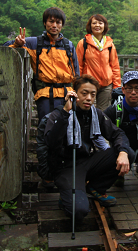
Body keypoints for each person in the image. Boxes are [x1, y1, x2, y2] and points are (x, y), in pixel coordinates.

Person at [39, 75, 133, 220]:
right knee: (79, 211)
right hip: (66, 167)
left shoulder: (95, 114)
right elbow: (51, 143)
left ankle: (96, 187)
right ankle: (67, 195)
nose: (89, 98)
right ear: (75, 93)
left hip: (86, 161)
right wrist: (65, 113)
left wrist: (123, 152)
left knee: (128, 153)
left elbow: (117, 133)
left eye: (93, 94)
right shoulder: (58, 114)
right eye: (84, 93)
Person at [5, 7, 79, 121]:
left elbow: (76, 72)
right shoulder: (34, 43)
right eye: (51, 21)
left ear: (62, 25)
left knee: (66, 129)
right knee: (45, 127)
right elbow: (4, 47)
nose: (54, 25)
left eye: (58, 22)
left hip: (66, 94)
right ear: (45, 23)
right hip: (45, 95)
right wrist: (17, 43)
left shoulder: (68, 45)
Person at [76, 14, 121, 110]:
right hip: (88, 83)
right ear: (90, 26)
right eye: (94, 23)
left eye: (100, 23)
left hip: (106, 84)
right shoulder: (83, 43)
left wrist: (117, 86)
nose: (97, 25)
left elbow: (115, 66)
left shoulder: (109, 45)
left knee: (103, 112)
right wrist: (77, 84)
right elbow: (78, 65)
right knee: (86, 110)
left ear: (104, 26)